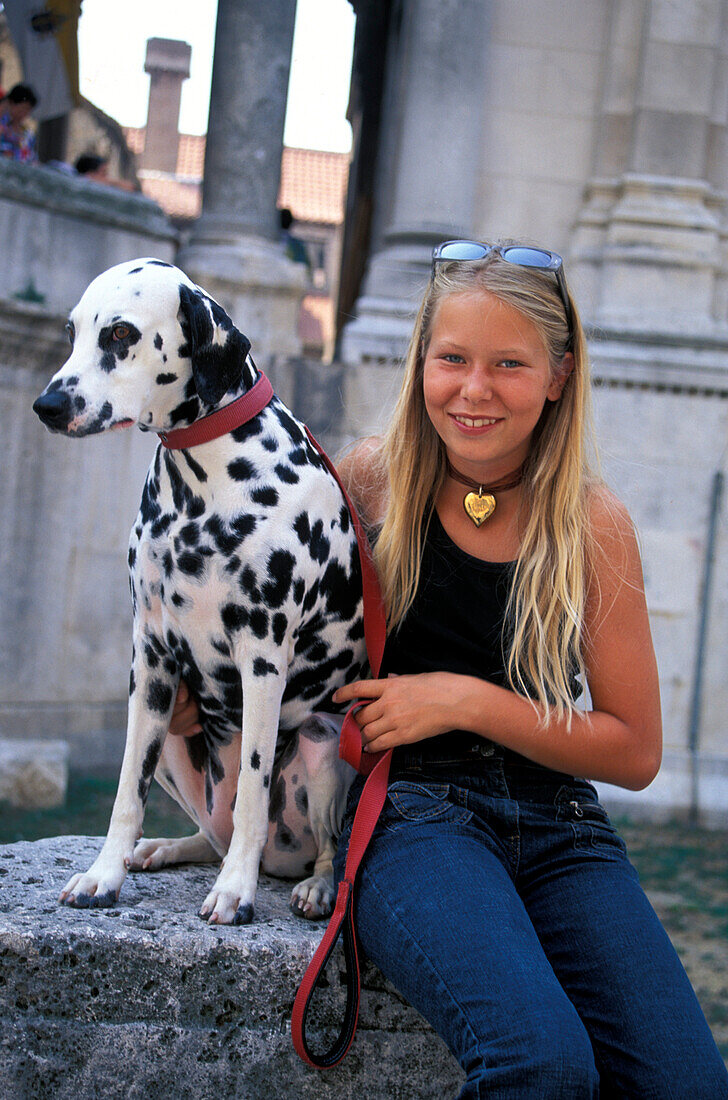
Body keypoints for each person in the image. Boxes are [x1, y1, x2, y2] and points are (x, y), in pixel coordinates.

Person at [168, 239, 728, 1097]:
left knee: (688, 1083)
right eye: (452, 359)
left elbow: (634, 750)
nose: (474, 389)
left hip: (563, 827)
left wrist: (464, 700)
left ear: (559, 375)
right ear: (420, 361)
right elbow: (254, 621)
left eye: (509, 363)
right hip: (411, 817)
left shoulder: (591, 523)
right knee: (542, 1065)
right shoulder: (369, 483)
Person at [0, 83, 38, 163]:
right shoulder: (3, 127)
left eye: (28, 110)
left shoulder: (28, 134)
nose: (24, 113)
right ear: (11, 103)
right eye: (22, 108)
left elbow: (32, 159)